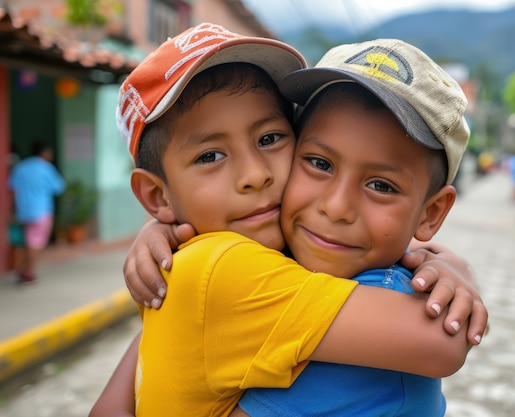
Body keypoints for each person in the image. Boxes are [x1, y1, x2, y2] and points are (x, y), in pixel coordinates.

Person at [90, 23, 486, 417]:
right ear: (158, 196)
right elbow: (441, 341)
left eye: (269, 139)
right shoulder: (225, 270)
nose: (255, 174)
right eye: (319, 163)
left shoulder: (199, 266)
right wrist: (458, 271)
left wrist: (439, 259)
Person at [230, 38, 473, 417]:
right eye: (319, 163)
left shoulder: (382, 338)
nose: (337, 207)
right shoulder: (278, 260)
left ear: (431, 213)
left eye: (381, 186)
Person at [8, 141, 66, 283]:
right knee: (34, 243)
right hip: (41, 211)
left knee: (26, 242)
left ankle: (23, 270)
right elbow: (59, 187)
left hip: (23, 211)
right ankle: (29, 272)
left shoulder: (20, 167)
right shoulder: (46, 168)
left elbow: (11, 187)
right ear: (45, 153)